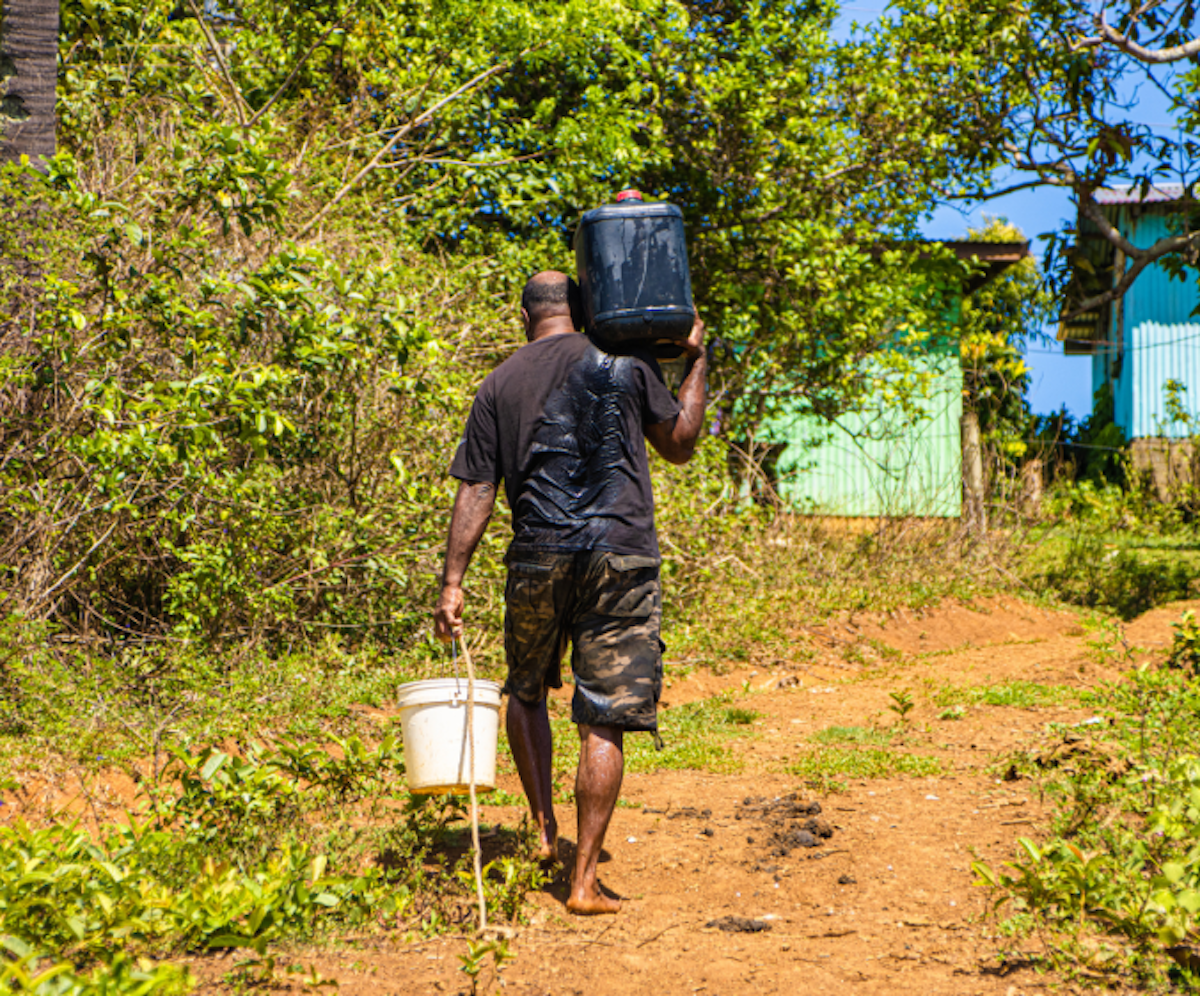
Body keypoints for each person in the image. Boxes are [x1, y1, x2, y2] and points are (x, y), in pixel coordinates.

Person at [434, 270, 706, 915]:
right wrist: (696, 361)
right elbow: (681, 444)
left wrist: (452, 582)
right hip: (621, 556)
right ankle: (582, 882)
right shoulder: (624, 360)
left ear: (522, 315)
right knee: (603, 715)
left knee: (525, 690)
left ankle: (541, 827)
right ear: (587, 309)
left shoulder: (498, 383)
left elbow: (476, 489)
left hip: (537, 556)